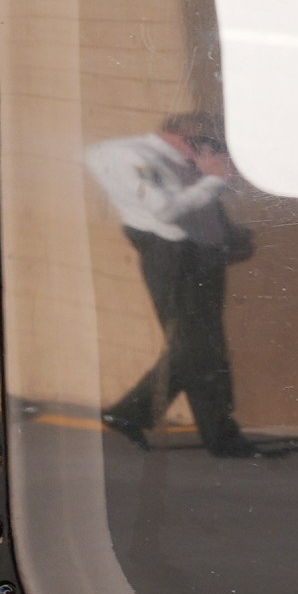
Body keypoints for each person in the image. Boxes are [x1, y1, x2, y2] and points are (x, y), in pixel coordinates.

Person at [85, 112, 261, 460]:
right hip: (172, 255)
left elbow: (201, 207)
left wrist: (228, 233)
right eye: (204, 142)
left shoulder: (187, 160)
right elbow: (164, 208)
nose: (210, 150)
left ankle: (140, 416)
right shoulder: (134, 156)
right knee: (196, 348)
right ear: (180, 136)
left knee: (200, 347)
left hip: (204, 257)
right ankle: (217, 436)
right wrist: (213, 179)